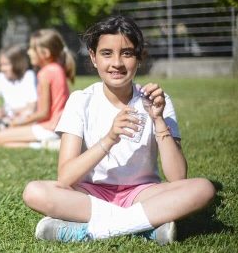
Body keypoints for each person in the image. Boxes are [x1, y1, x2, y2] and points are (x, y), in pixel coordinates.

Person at [22, 16, 215, 245]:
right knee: (34, 192)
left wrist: (159, 120)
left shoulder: (157, 101)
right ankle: (143, 227)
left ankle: (92, 231)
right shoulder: (80, 101)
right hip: (90, 194)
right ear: (93, 57)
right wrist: (110, 137)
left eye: (127, 53)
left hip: (142, 194)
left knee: (203, 188)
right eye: (106, 53)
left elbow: (177, 177)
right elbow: (66, 177)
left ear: (139, 58)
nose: (117, 63)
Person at [0, 29, 75, 149]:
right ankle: (46, 144)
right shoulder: (56, 69)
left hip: (50, 128)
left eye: (32, 48)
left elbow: (43, 113)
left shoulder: (46, 73)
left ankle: (48, 145)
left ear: (45, 53)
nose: (29, 52)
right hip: (58, 126)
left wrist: (18, 123)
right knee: (5, 139)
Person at [0, 44, 37, 129]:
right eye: (0, 65)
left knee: (27, 114)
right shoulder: (1, 77)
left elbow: (32, 107)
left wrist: (7, 111)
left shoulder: (28, 76)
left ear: (18, 63)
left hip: (24, 116)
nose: (2, 68)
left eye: (6, 64)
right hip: (7, 116)